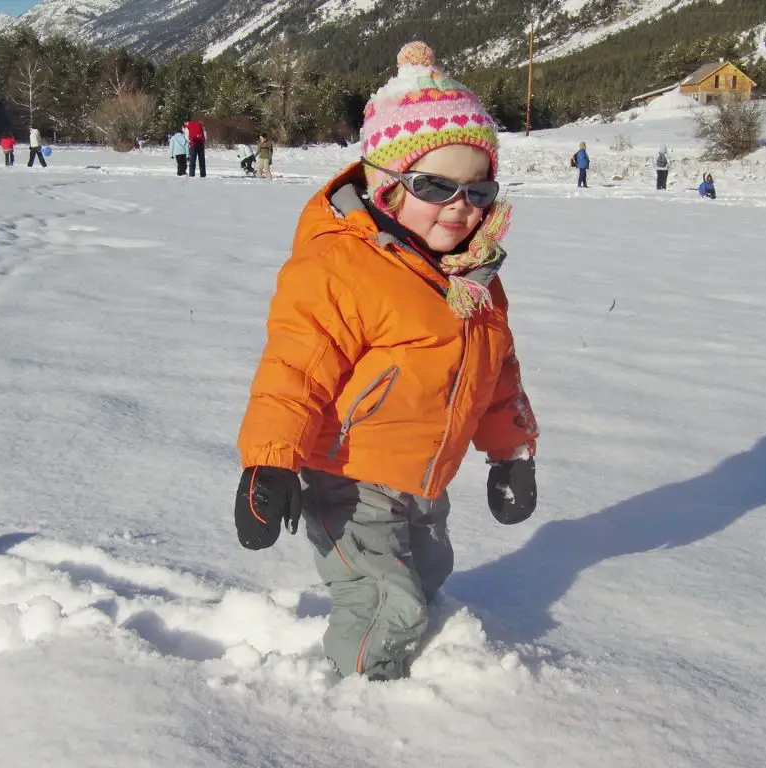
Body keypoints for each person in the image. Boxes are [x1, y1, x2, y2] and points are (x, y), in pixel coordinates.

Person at [233, 41, 539, 682]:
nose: (461, 206)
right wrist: (270, 462)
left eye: (479, 188)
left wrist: (510, 453)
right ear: (384, 183)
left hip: (426, 478)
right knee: (386, 605)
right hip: (348, 477)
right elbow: (295, 367)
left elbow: (495, 368)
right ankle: (356, 709)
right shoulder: (343, 266)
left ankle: (400, 670)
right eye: (435, 185)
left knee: (426, 581)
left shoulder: (472, 276)